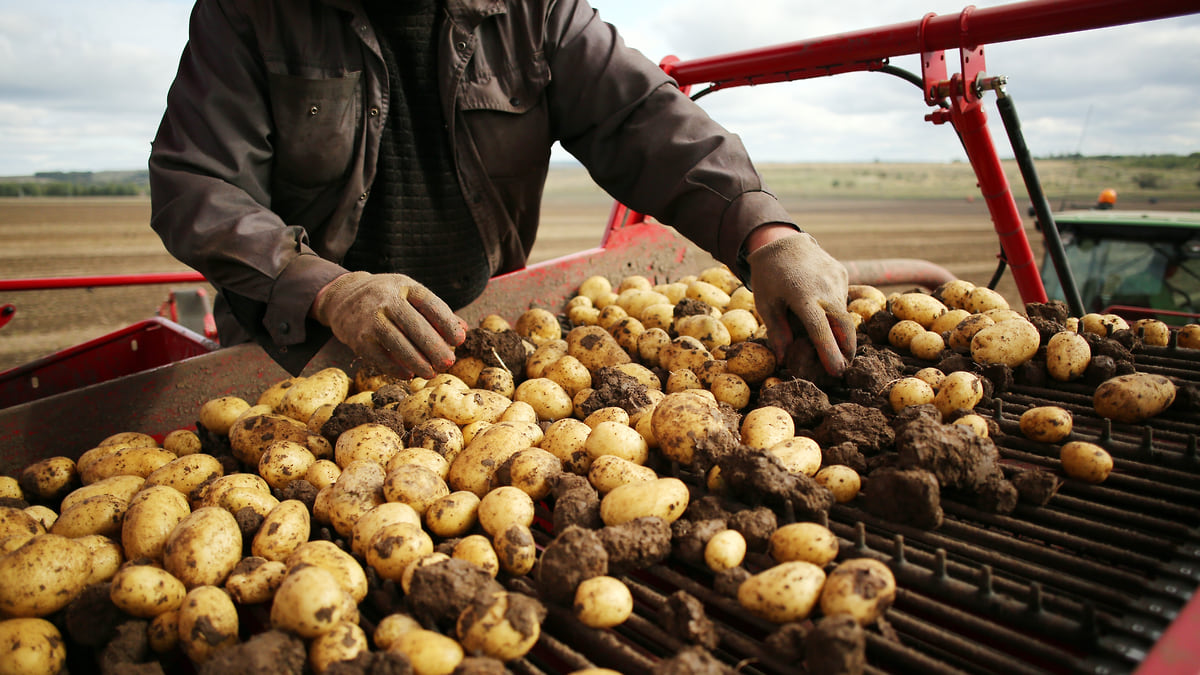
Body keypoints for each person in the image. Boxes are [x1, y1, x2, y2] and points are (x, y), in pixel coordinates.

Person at [149, 0, 856, 381]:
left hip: (476, 344)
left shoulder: (534, 10)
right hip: (301, 351)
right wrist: (330, 290)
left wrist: (765, 232)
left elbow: (641, 116)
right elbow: (198, 180)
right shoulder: (247, 11)